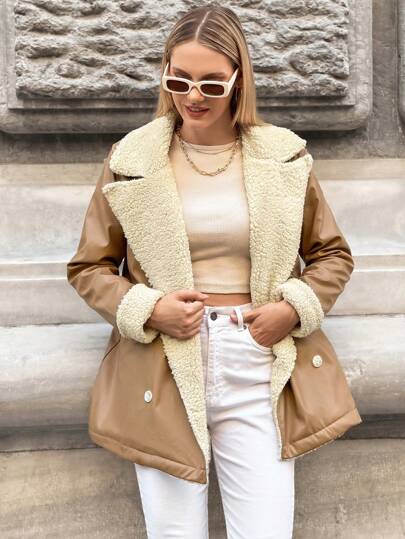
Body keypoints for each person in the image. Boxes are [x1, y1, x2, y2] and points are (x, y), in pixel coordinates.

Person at [67, 4, 361, 538]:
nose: (193, 97)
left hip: (257, 360)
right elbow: (90, 266)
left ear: (239, 79)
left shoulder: (284, 156)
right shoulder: (130, 158)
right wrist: (149, 308)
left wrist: (291, 310)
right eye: (179, 80)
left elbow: (332, 255)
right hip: (161, 364)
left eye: (211, 83)